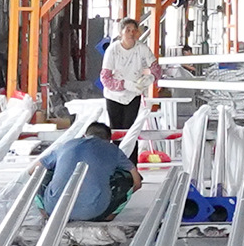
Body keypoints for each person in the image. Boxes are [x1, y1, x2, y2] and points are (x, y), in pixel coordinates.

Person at [33, 122, 142, 222]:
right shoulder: (114, 150)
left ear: (84, 135)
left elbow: (32, 170)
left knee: (41, 174)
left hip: (54, 209)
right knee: (126, 177)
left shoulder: (67, 145)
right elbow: (137, 182)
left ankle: (45, 214)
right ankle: (109, 216)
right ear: (109, 140)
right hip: (93, 212)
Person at [100, 17, 161, 164]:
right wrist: (124, 84)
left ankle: (132, 167)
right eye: (128, 30)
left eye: (134, 30)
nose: (131, 34)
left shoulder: (142, 49)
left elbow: (156, 68)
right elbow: (105, 78)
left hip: (133, 95)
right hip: (114, 96)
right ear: (121, 32)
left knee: (131, 131)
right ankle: (115, 165)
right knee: (116, 132)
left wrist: (150, 78)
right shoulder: (113, 50)